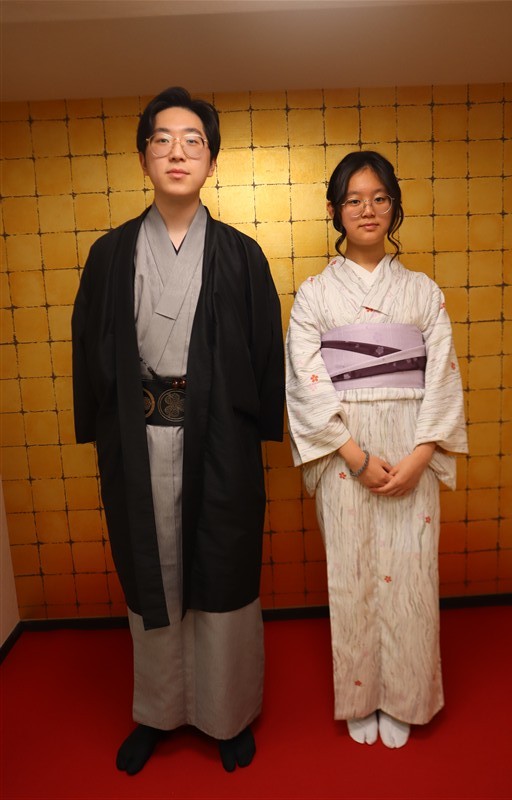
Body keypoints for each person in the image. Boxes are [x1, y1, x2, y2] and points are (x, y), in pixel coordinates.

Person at [72, 87, 284, 774]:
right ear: (143, 158)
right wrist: (100, 429)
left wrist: (258, 430)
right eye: (162, 140)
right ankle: (157, 712)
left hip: (218, 442)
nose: (177, 152)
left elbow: (264, 352)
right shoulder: (109, 254)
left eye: (193, 141)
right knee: (153, 573)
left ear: (211, 161)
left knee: (220, 571)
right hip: (139, 440)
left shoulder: (242, 254)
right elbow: (89, 348)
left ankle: (227, 713)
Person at [285, 151, 467, 748]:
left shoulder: (423, 291)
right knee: (352, 574)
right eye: (354, 200)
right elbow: (306, 380)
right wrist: (353, 456)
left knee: (412, 574)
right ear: (335, 211)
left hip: (413, 443)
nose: (368, 209)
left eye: (380, 197)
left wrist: (421, 456)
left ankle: (408, 696)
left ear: (394, 205)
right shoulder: (315, 296)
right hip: (345, 453)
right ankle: (362, 695)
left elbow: (442, 377)